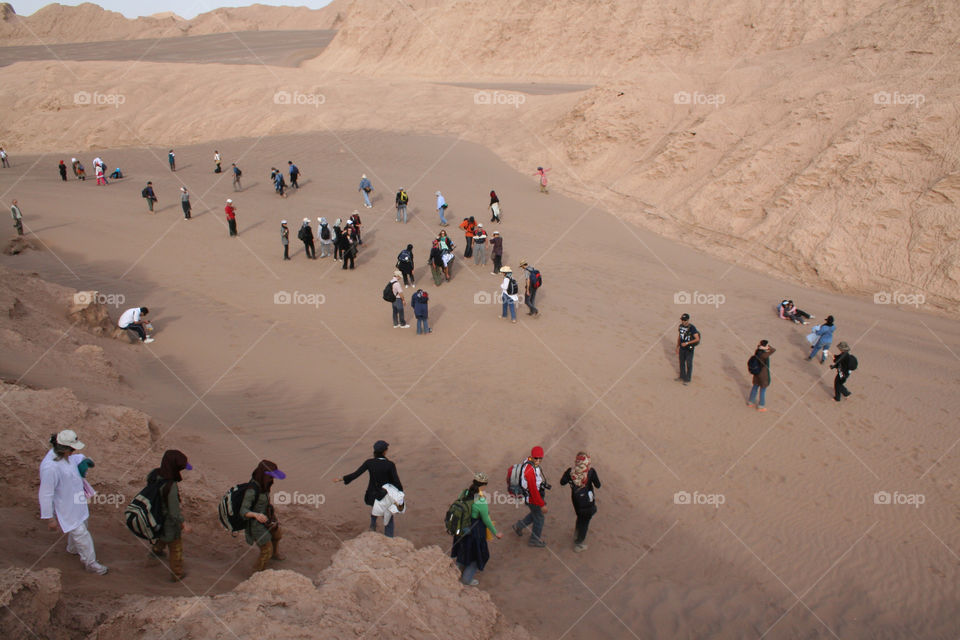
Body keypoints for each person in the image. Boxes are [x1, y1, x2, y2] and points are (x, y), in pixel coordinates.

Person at [39, 430, 108, 575]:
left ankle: (73, 548)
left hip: (76, 501)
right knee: (81, 533)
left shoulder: (65, 457)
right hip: (65, 506)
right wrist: (50, 518)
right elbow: (46, 493)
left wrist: (83, 460)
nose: (73, 451)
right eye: (72, 449)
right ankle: (91, 563)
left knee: (83, 523)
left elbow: (73, 460)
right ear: (64, 448)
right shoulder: (50, 468)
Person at [335, 440, 403, 536]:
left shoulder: (369, 463)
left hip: (371, 495)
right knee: (388, 520)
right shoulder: (390, 465)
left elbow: (356, 474)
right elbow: (397, 482)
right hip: (385, 496)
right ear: (385, 451)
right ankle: (389, 540)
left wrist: (342, 478)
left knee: (375, 507)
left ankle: (372, 527)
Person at [451, 472, 502, 586]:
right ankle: (466, 580)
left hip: (462, 528)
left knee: (462, 551)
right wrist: (496, 533)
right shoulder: (481, 500)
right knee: (477, 556)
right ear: (484, 485)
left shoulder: (464, 492)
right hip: (475, 531)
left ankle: (454, 575)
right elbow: (486, 520)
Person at [148, 450, 192, 581]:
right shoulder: (170, 486)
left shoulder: (154, 474)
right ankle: (177, 574)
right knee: (176, 547)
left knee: (162, 536)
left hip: (156, 516)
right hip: (168, 522)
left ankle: (156, 551)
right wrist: (184, 525)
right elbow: (174, 512)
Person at [241, 460, 286, 572]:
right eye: (271, 477)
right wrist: (256, 515)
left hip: (267, 519)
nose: (272, 479)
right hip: (255, 525)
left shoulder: (264, 485)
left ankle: (275, 554)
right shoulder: (251, 490)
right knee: (266, 551)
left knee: (277, 534)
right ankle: (256, 572)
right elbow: (243, 510)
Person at [560, 452, 601, 552]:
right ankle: (579, 543)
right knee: (585, 523)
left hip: (576, 502)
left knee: (580, 517)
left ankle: (576, 533)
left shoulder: (571, 472)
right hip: (588, 503)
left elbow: (562, 482)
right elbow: (598, 485)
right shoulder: (591, 472)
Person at [512, 446, 549, 547]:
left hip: (530, 496)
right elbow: (533, 490)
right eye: (536, 458)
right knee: (540, 518)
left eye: (540, 458)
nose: (538, 460)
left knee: (535, 514)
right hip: (533, 498)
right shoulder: (529, 471)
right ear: (532, 457)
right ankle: (534, 540)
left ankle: (518, 526)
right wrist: (542, 505)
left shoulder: (528, 461)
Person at [747, 340, 776, 412]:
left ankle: (750, 402)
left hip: (757, 373)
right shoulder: (764, 355)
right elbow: (773, 350)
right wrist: (767, 348)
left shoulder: (757, 351)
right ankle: (761, 406)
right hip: (763, 375)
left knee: (755, 387)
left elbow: (761, 348)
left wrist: (762, 347)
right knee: (763, 390)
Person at [676, 313, 700, 385]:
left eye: (684, 320)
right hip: (682, 348)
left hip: (689, 349)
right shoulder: (680, 326)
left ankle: (688, 379)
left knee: (689, 363)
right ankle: (682, 376)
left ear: (688, 320)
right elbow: (680, 336)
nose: (683, 321)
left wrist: (687, 343)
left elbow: (697, 339)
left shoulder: (692, 328)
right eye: (682, 320)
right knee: (681, 362)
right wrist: (677, 346)